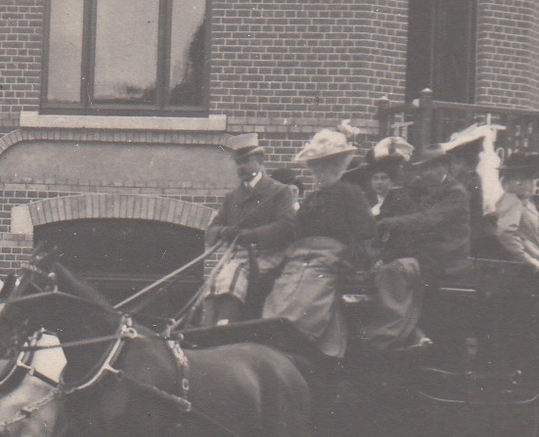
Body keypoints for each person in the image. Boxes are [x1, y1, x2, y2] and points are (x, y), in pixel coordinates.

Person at [261, 129, 374, 360]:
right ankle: (277, 332)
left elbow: (367, 230)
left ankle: (298, 335)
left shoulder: (351, 193)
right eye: (315, 166)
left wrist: (350, 252)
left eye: (324, 165)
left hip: (336, 257)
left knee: (311, 285)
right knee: (285, 283)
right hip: (303, 255)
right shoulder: (312, 198)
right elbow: (296, 230)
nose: (318, 172)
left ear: (337, 166)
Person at [198, 142, 297, 326]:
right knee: (215, 277)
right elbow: (211, 230)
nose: (241, 167)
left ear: (259, 161)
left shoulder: (279, 191)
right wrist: (224, 231)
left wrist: (253, 235)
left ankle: (225, 327)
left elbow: (287, 227)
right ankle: (207, 326)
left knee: (232, 273)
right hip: (239, 257)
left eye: (246, 162)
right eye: (238, 163)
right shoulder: (232, 197)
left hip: (269, 255)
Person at [377, 141, 472, 284]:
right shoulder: (422, 186)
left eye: (431, 167)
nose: (425, 173)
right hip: (428, 253)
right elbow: (404, 207)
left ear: (444, 166)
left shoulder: (456, 192)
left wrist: (392, 222)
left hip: (449, 257)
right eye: (423, 168)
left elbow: (429, 219)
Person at [494, 155, 539, 271]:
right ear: (507, 182)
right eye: (517, 178)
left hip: (535, 264)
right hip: (521, 268)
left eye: (528, 178)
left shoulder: (526, 203)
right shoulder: (511, 200)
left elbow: (530, 240)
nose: (524, 183)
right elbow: (506, 233)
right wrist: (526, 259)